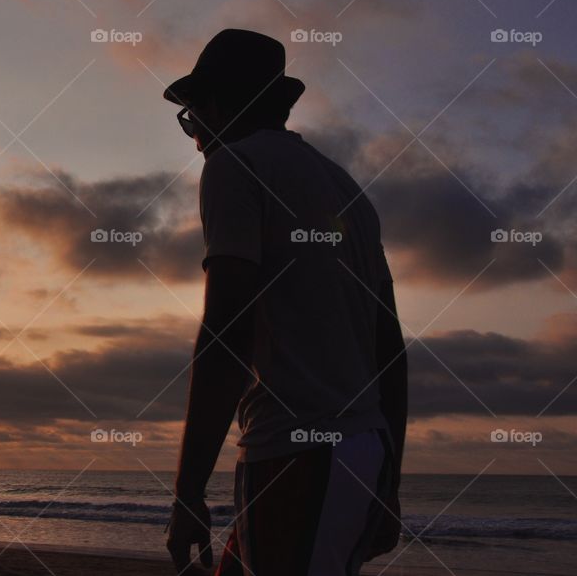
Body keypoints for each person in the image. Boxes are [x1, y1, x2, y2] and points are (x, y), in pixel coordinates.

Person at [163, 29, 408, 576]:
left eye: (191, 118)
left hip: (298, 452)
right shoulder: (348, 190)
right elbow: (390, 347)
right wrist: (388, 479)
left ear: (220, 106)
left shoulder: (234, 165)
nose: (195, 138)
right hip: (359, 449)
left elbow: (227, 330)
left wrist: (187, 492)